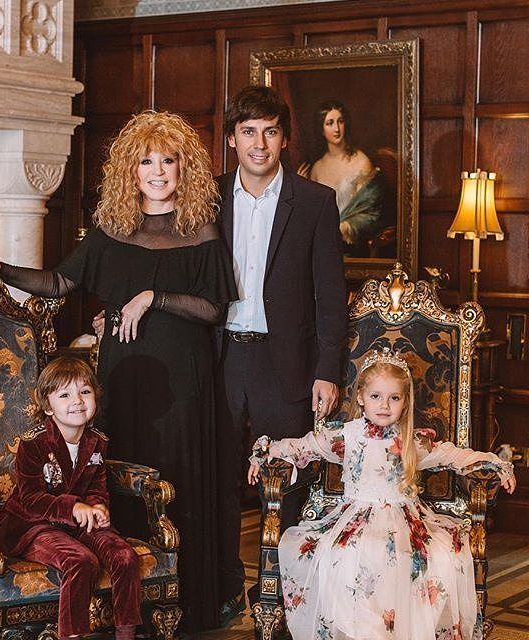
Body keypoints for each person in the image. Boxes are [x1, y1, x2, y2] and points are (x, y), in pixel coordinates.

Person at [0, 111, 238, 632]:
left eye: (168, 161)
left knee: (176, 483)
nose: (157, 172)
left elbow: (213, 309)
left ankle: (182, 607)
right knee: (118, 477)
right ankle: (123, 608)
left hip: (183, 379)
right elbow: (59, 283)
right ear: (131, 170)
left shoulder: (200, 229)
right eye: (146, 162)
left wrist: (152, 297)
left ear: (185, 168)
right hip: (123, 376)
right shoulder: (112, 231)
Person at [248, 348, 516, 640]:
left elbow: (452, 455)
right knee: (345, 554)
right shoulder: (346, 436)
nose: (384, 405)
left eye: (394, 398)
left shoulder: (412, 440)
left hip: (405, 520)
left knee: (425, 557)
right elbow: (303, 446)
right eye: (376, 396)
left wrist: (496, 464)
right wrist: (265, 454)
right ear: (361, 398)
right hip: (355, 518)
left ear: (405, 402)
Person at [214, 85, 347, 625]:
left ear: (285, 139)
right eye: (248, 132)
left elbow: (330, 295)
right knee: (220, 478)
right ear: (231, 139)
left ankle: (282, 598)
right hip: (220, 359)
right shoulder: (209, 197)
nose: (259, 143)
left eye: (270, 132)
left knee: (288, 485)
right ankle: (223, 589)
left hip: (286, 363)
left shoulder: (314, 202)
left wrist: (327, 371)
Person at [0, 356, 141, 640]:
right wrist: (73, 507)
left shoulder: (97, 442)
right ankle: (72, 635)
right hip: (34, 526)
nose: (77, 401)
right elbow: (31, 498)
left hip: (79, 524)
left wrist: (98, 507)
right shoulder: (34, 444)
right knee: (81, 560)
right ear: (48, 406)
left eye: (85, 391)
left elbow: (97, 487)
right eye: (65, 395)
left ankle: (126, 633)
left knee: (124, 555)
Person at [297, 99, 383, 252]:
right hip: (323, 245)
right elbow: (312, 214)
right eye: (329, 123)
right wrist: (301, 190)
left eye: (340, 122)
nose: (336, 128)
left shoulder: (360, 161)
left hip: (353, 246)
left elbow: (369, 213)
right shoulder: (317, 168)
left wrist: (343, 228)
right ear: (321, 129)